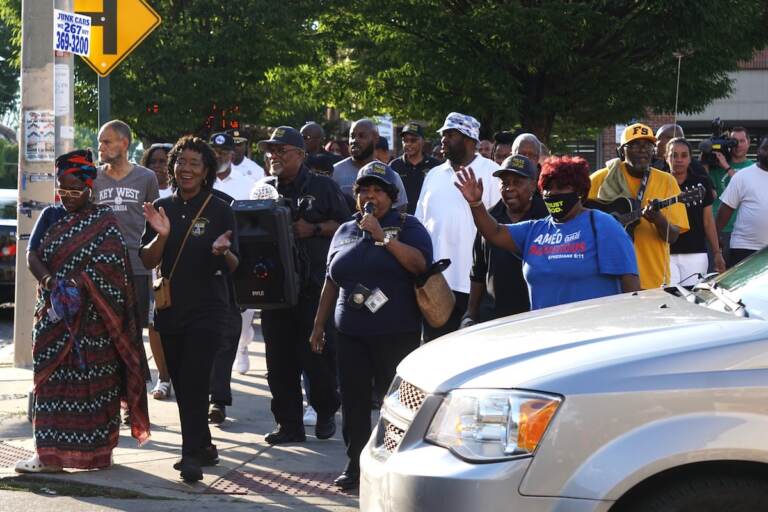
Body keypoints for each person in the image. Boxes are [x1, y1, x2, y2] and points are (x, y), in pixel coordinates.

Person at [17, 149, 150, 474]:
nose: (69, 196)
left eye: (76, 190)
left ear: (90, 188)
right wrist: (51, 283)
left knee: (96, 388)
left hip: (95, 324)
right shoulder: (50, 215)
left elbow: (113, 267)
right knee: (49, 385)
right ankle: (48, 457)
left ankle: (98, 454)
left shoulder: (105, 221)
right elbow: (32, 255)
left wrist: (80, 283)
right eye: (64, 189)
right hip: (54, 318)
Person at [310, 161, 432, 490]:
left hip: (395, 333)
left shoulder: (408, 226)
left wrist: (383, 238)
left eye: (378, 190)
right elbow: (331, 280)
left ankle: (395, 465)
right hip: (350, 333)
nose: (370, 196)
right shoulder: (346, 229)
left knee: (395, 405)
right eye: (364, 189)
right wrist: (319, 325)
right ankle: (355, 466)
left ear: (391, 196)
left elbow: (421, 265)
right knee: (353, 403)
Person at [139, 135, 239, 482]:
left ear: (207, 170)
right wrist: (162, 235)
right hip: (170, 307)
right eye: (181, 162)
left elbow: (235, 264)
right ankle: (206, 444)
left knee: (196, 380)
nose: (186, 169)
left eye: (194, 163)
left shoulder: (221, 207)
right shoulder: (160, 207)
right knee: (183, 383)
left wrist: (222, 250)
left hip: (209, 309)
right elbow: (147, 258)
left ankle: (190, 456)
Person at [255, 126, 348, 445]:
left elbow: (348, 225)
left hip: (313, 288)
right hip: (275, 289)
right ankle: (289, 425)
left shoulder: (323, 187)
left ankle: (325, 411)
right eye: (270, 151)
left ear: (300, 155)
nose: (273, 156)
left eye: (281, 150)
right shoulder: (263, 189)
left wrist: (317, 228)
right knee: (278, 363)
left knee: (317, 357)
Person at [455, 155, 640, 309]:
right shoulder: (535, 230)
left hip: (593, 335)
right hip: (546, 335)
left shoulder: (601, 225)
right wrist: (475, 204)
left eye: (561, 187)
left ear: (579, 192)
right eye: (548, 188)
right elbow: (494, 232)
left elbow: (630, 286)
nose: (552, 193)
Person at [92, 120, 159, 423]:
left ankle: (134, 404)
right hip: (102, 267)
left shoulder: (146, 178)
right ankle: (110, 400)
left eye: (106, 142)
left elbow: (157, 223)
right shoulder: (93, 178)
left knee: (133, 337)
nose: (101, 147)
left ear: (124, 143)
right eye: (100, 142)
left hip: (136, 265)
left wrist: (154, 258)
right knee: (106, 335)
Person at [415, 111, 501, 340]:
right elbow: (420, 225)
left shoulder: (492, 173)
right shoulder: (433, 175)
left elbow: (499, 227)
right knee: (435, 350)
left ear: (470, 140)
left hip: (475, 286)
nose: (443, 139)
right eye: (443, 134)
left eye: (450, 134)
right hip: (437, 286)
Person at [589, 123, 689, 289]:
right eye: (635, 145)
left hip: (651, 279)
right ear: (621, 151)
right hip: (608, 278)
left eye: (648, 145)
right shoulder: (600, 179)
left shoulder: (667, 181)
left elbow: (673, 236)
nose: (643, 150)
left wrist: (658, 219)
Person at [463, 155, 548, 326]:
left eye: (517, 182)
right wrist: (470, 314)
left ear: (533, 185)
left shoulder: (548, 217)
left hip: (537, 318)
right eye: (505, 182)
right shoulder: (488, 218)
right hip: (494, 319)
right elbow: (478, 271)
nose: (509, 188)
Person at [208, 131, 251, 425]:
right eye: (214, 152)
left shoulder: (251, 177)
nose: (220, 156)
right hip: (192, 278)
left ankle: (218, 400)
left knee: (227, 338)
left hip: (232, 268)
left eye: (225, 151)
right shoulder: (182, 194)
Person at [140, 143, 174, 400]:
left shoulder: (184, 189)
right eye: (155, 162)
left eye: (166, 161)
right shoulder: (143, 191)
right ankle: (163, 377)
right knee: (155, 323)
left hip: (183, 266)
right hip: (153, 268)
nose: (161, 166)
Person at [666, 138, 725, 284]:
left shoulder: (702, 181)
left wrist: (717, 253)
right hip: (664, 252)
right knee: (669, 299)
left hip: (696, 252)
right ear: (665, 157)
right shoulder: (657, 182)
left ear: (690, 158)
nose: (679, 159)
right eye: (674, 155)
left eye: (684, 155)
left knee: (691, 299)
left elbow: (708, 220)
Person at [332, 119, 408, 211]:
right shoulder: (334, 172)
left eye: (361, 136)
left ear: (375, 139)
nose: (354, 140)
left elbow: (400, 210)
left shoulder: (391, 176)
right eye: (352, 136)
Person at [715, 136, 768, 267]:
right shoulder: (742, 176)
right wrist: (716, 239)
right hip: (744, 247)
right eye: (766, 149)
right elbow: (724, 212)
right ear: (758, 151)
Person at [705, 127, 753, 263]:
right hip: (717, 229)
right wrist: (705, 162)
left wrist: (726, 166)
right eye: (734, 141)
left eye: (742, 141)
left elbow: (746, 189)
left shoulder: (753, 167)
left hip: (742, 233)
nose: (737, 145)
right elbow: (710, 194)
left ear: (749, 143)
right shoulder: (716, 165)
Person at [389, 122, 441, 214]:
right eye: (405, 140)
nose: (408, 144)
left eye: (413, 140)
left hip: (428, 220)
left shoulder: (435, 166)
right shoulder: (394, 166)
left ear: (423, 141)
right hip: (400, 221)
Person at [210, 132, 255, 198]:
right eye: (213, 152)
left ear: (232, 155)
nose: (217, 156)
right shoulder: (199, 180)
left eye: (222, 153)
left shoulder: (248, 184)